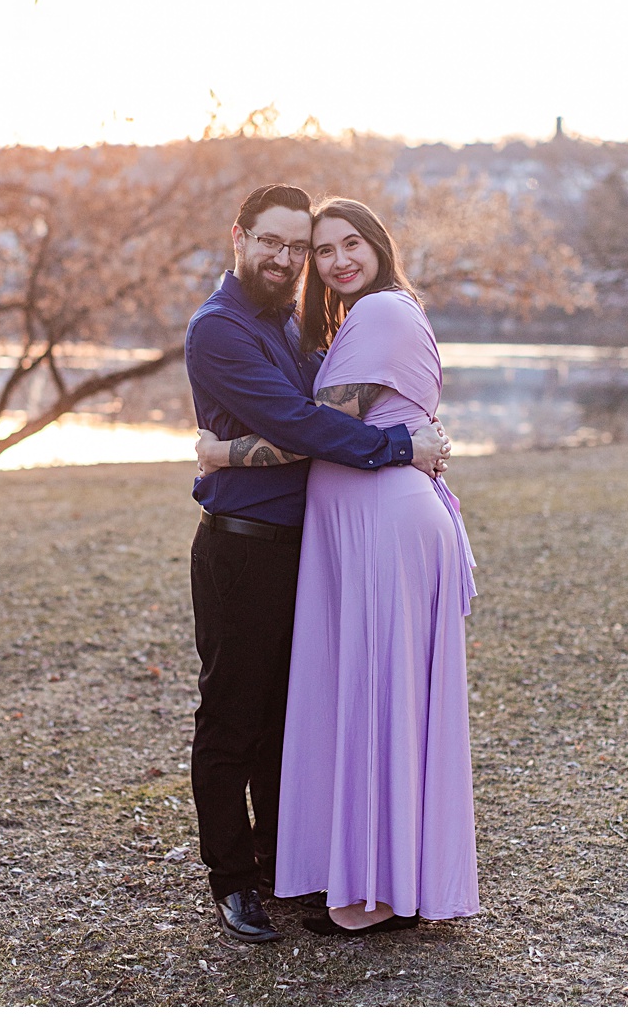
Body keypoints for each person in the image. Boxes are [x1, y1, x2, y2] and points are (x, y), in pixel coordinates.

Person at [196, 198, 479, 937]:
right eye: (291, 245)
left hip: (332, 536)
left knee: (324, 706)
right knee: (238, 715)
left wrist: (223, 451)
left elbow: (322, 424)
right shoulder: (220, 329)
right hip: (246, 541)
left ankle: (313, 866)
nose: (307, 260)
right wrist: (398, 445)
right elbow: (306, 424)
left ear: (378, 246)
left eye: (317, 246)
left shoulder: (327, 321)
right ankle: (236, 881)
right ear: (241, 239)